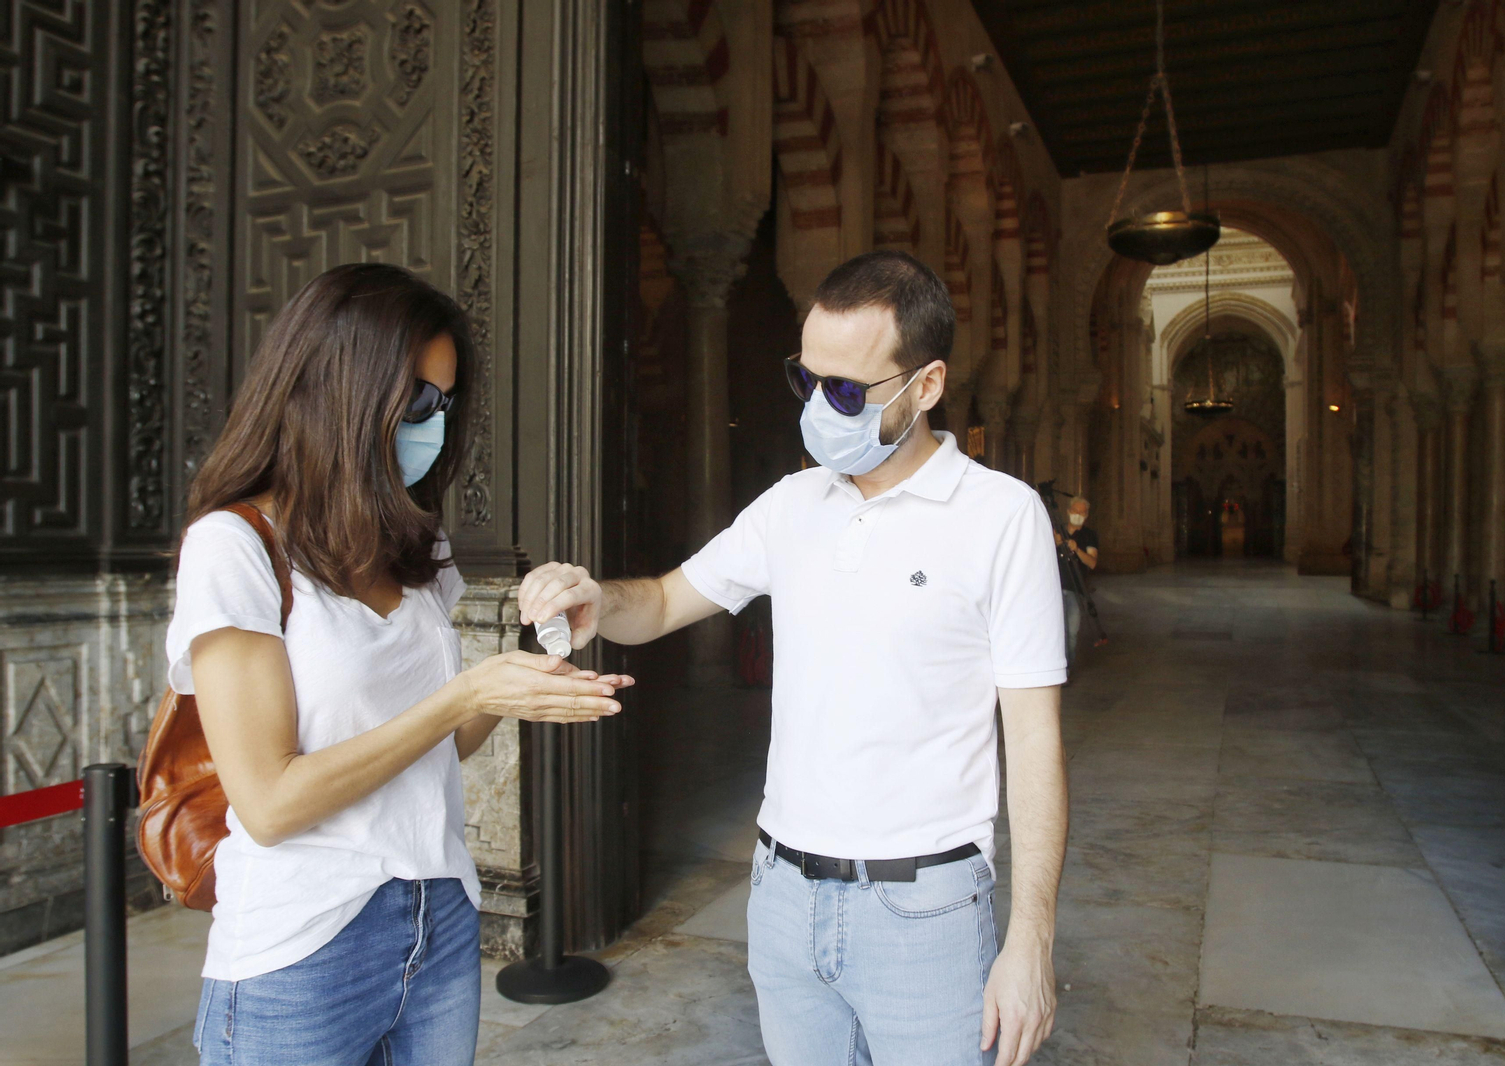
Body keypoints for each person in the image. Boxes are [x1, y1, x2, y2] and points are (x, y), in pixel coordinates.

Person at [519, 251, 1069, 1066]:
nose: (818, 407)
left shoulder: (1000, 517)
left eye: (845, 391)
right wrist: (596, 598)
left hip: (926, 910)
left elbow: (1033, 740)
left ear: (926, 386)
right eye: (805, 379)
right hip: (782, 894)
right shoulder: (793, 503)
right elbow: (667, 600)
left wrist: (1031, 944)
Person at [169, 263, 632, 1066]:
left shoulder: (415, 543)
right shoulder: (235, 547)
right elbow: (271, 803)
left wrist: (531, 661)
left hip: (440, 917)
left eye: (446, 407)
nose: (436, 429)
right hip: (302, 946)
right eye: (419, 402)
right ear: (338, 387)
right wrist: (461, 696)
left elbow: (447, 745)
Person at [1057, 496, 1099, 664]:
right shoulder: (1057, 531)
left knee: (1072, 631)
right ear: (1068, 512)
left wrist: (1077, 550)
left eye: (1082, 512)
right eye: (1075, 511)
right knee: (1058, 631)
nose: (1078, 515)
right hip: (1055, 587)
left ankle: (1068, 665)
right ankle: (1060, 668)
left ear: (1087, 515)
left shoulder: (1089, 535)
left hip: (1076, 588)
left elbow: (1092, 562)